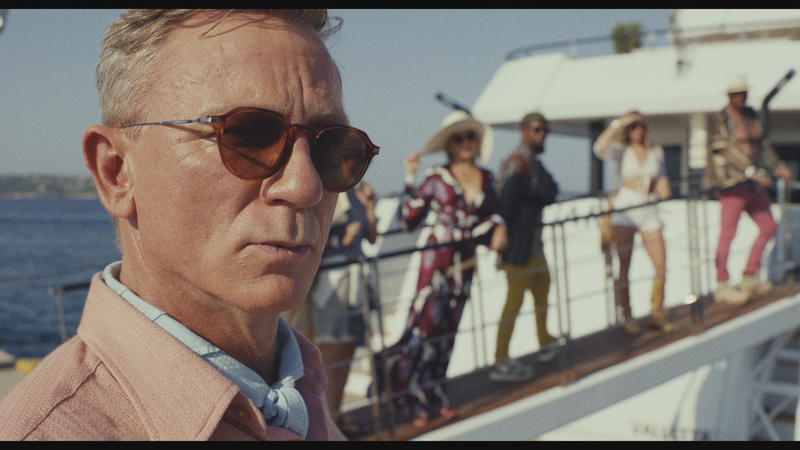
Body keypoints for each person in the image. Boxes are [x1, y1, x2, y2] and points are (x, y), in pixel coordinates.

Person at [0, 9, 380, 441]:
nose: (305, 186)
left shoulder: (301, 391)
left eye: (332, 146)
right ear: (116, 171)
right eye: (248, 136)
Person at [378, 110, 507, 428]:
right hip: (436, 261)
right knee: (426, 327)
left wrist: (500, 226)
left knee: (449, 331)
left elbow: (491, 214)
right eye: (458, 138)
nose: (465, 142)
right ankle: (412, 397)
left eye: (470, 136)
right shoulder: (436, 177)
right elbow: (408, 220)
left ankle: (436, 392)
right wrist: (410, 177)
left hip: (466, 264)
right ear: (449, 144)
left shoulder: (488, 177)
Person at [285, 182, 378, 435]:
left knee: (348, 349)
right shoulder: (327, 193)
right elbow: (308, 238)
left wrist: (370, 208)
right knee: (331, 352)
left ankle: (337, 416)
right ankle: (328, 422)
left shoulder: (358, 194)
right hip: (332, 282)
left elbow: (372, 238)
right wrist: (340, 240)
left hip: (355, 279)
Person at [705, 75, 793, 304]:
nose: (740, 97)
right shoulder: (720, 118)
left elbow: (763, 144)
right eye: (736, 93)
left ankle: (750, 274)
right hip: (732, 185)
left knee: (768, 226)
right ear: (729, 95)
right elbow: (723, 148)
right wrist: (750, 171)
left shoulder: (752, 116)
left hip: (752, 184)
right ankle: (722, 283)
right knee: (728, 233)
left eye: (743, 92)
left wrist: (777, 165)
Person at [490, 112, 561, 383]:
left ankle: (545, 341)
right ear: (524, 131)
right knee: (514, 302)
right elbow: (506, 203)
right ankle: (500, 359)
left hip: (532, 246)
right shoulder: (518, 162)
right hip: (519, 248)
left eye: (544, 130)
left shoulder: (530, 162)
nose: (542, 135)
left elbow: (551, 191)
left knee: (542, 288)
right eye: (536, 130)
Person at [593, 111, 673, 335]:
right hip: (626, 208)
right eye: (633, 126)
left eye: (641, 126)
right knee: (625, 262)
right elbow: (599, 148)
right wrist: (619, 123)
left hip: (649, 207)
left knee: (661, 264)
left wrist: (664, 188)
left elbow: (662, 177)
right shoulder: (621, 151)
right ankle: (626, 314)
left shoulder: (655, 151)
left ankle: (656, 312)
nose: (638, 130)